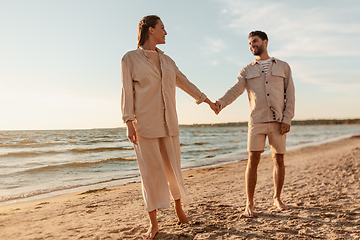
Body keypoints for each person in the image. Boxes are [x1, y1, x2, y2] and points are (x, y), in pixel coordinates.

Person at [121, 15, 217, 239]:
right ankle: (153, 223)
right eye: (162, 28)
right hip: (144, 126)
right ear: (151, 30)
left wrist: (207, 100)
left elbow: (184, 82)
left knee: (173, 170)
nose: (166, 32)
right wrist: (128, 123)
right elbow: (127, 92)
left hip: (169, 124)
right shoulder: (130, 59)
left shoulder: (168, 61)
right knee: (150, 175)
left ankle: (178, 208)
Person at [214, 30, 295, 218]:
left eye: (255, 42)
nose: (252, 45)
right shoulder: (246, 70)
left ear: (265, 41)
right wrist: (220, 103)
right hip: (256, 121)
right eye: (250, 43)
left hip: (278, 121)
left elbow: (290, 94)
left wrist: (287, 118)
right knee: (253, 160)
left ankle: (277, 198)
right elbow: (235, 90)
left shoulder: (283, 67)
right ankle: (249, 203)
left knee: (279, 159)